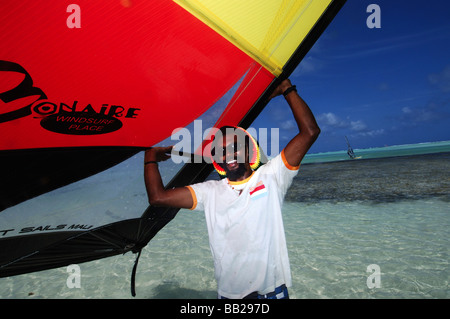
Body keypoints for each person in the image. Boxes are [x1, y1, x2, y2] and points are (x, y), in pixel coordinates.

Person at [144, 79, 320, 299]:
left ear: (248, 151)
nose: (228, 153)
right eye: (222, 150)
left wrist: (287, 90)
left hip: (270, 293)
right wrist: (150, 158)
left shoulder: (272, 176)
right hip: (228, 297)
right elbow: (157, 198)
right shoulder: (209, 192)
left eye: (235, 147)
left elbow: (310, 132)